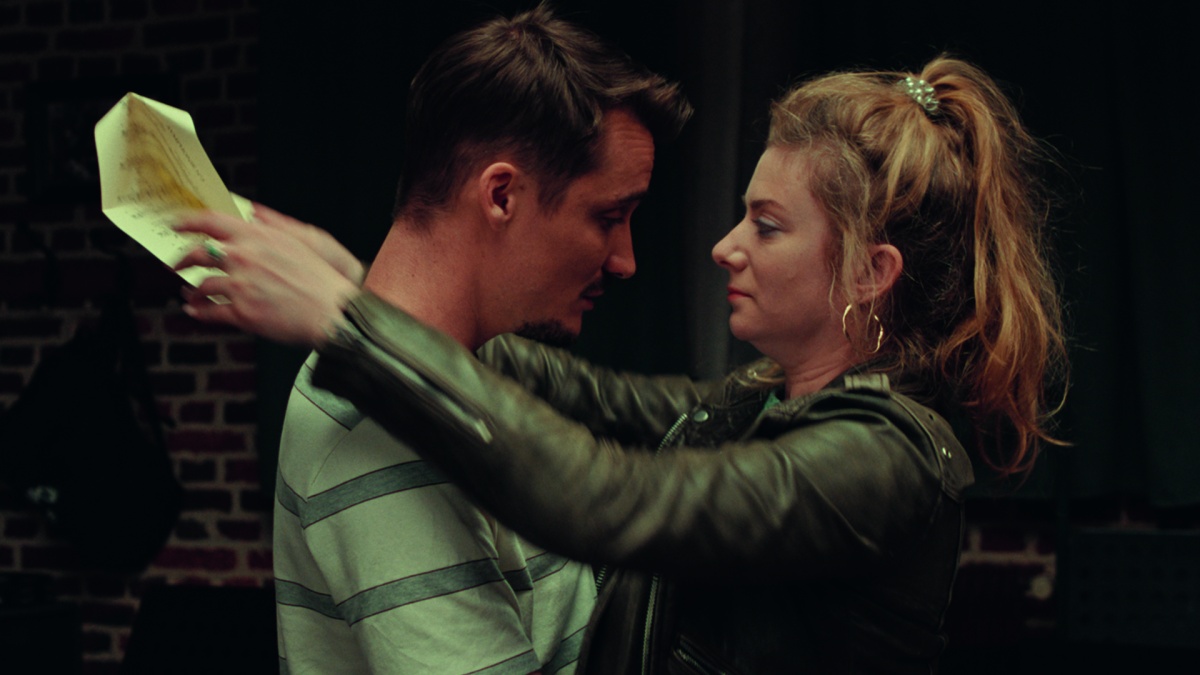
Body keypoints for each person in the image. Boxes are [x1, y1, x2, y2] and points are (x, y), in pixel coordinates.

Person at [178, 57, 1065, 673]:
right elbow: (596, 396)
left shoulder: (883, 458)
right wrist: (362, 294)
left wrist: (354, 326)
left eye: (766, 226)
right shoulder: (768, 399)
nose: (725, 246)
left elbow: (615, 498)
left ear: (871, 273)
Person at [176, 6, 691, 674]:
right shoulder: (380, 427)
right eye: (608, 216)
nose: (626, 261)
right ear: (501, 196)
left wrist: (355, 291)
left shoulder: (464, 371)